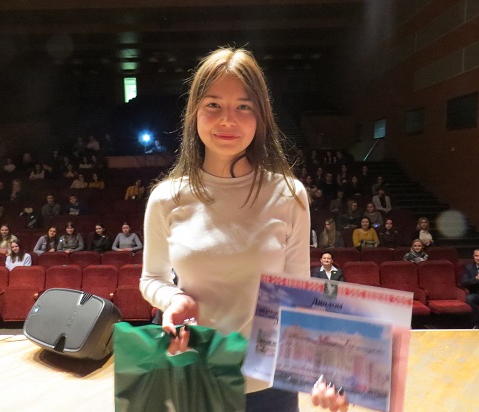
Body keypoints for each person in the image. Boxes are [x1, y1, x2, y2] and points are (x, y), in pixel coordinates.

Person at [139, 48, 346, 411]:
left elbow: (299, 292)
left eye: (243, 106)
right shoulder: (166, 198)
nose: (227, 120)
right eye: (213, 105)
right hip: (195, 376)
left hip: (269, 384)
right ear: (194, 112)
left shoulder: (289, 194)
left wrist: (324, 369)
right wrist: (171, 299)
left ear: (260, 115)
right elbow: (151, 278)